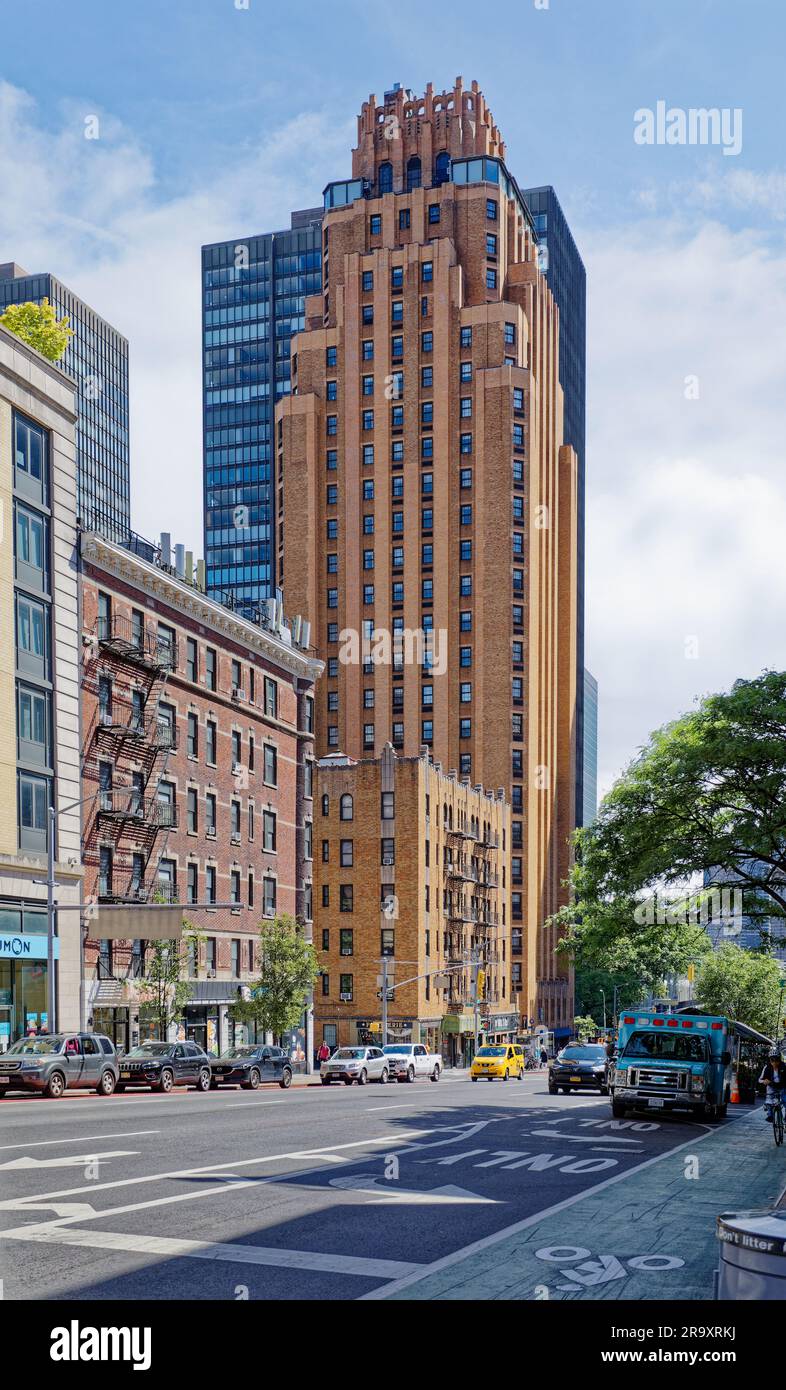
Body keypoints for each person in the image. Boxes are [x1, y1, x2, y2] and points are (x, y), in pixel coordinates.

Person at [758, 1051, 786, 1122]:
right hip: (771, 1086)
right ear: (770, 1061)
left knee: (785, 1100)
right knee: (769, 1100)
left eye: (776, 1060)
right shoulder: (767, 1068)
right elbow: (760, 1080)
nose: (774, 1063)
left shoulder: (784, 1066)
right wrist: (764, 1081)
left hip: (783, 1086)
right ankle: (770, 1115)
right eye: (772, 1060)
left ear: (779, 1060)